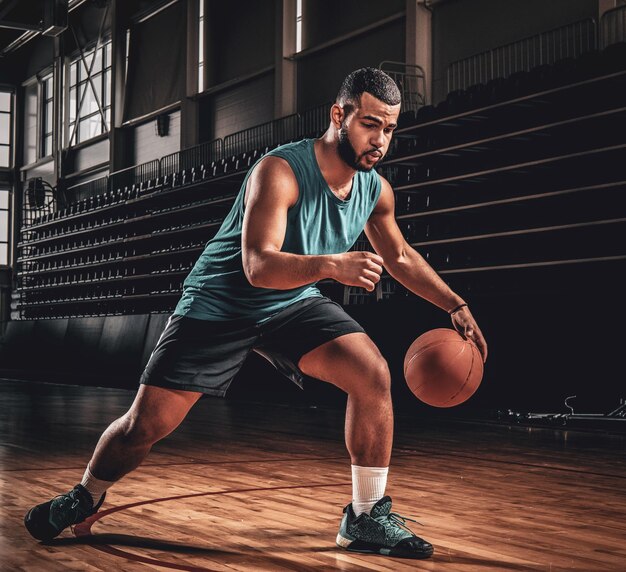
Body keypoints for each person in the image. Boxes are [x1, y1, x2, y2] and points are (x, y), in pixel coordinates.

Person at [24, 67, 487, 559]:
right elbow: (257, 265)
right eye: (370, 124)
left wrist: (454, 304)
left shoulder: (375, 190)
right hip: (221, 303)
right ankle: (86, 494)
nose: (380, 140)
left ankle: (366, 518)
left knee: (371, 372)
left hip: (292, 304)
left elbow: (399, 257)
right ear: (339, 115)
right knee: (146, 426)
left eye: (389, 128)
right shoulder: (280, 171)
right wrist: (332, 264)